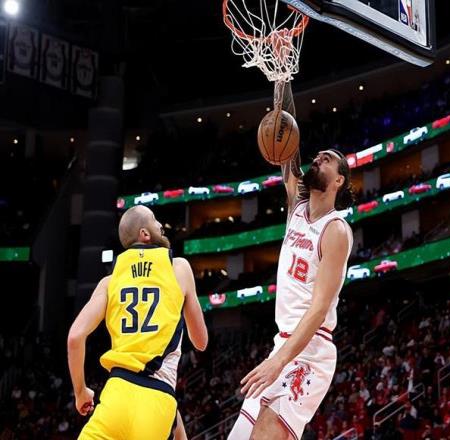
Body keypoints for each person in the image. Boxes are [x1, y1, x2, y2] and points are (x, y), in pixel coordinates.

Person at [228, 82, 354, 440]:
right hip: (282, 344)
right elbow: (286, 132)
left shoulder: (335, 230)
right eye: (318, 156)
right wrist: (281, 78)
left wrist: (279, 361)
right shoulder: (296, 208)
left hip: (310, 352)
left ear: (339, 180)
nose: (319, 158)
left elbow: (319, 309)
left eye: (327, 159)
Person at [67, 205, 208, 439]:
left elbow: (75, 337)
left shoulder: (109, 282)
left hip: (116, 394)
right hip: (158, 400)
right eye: (155, 220)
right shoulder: (179, 268)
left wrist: (81, 392)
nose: (161, 225)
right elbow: (201, 342)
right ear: (145, 234)